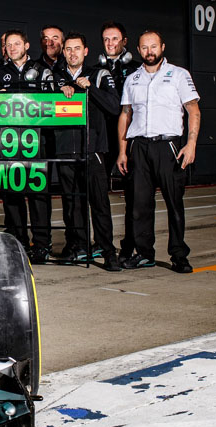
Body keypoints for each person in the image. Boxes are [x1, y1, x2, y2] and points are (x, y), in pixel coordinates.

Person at [117, 30, 200, 273]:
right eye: (144, 47)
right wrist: (123, 151)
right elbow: (125, 115)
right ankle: (145, 254)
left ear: (162, 47)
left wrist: (191, 144)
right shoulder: (132, 79)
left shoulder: (179, 75)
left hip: (168, 147)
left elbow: (193, 110)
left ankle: (179, 255)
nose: (149, 51)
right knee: (140, 205)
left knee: (174, 204)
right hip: (139, 147)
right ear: (138, 50)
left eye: (153, 46)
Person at [52, 32, 121, 271]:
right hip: (65, 151)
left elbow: (114, 107)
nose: (73, 53)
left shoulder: (99, 75)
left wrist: (90, 88)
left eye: (77, 48)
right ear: (64, 52)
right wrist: (60, 90)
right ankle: (78, 246)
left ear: (86, 51)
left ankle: (108, 251)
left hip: (93, 151)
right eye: (68, 49)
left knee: (99, 203)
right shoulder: (55, 76)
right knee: (72, 204)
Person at [0, 29, 54, 263]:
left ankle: (42, 245)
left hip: (35, 141)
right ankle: (18, 243)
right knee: (11, 195)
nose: (12, 48)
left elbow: (51, 104)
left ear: (26, 46)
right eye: (9, 44)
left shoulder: (42, 70)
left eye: (17, 43)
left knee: (38, 196)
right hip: (7, 142)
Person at [98, 21, 142, 262]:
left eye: (114, 38)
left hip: (128, 139)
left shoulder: (137, 70)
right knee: (98, 195)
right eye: (106, 39)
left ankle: (130, 246)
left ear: (124, 41)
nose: (110, 43)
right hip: (103, 140)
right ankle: (103, 244)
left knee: (133, 196)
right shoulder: (96, 70)